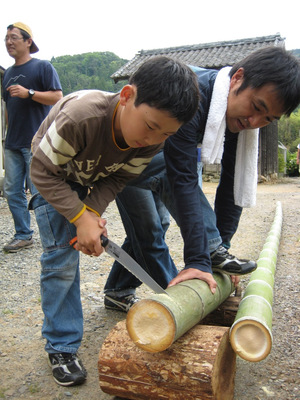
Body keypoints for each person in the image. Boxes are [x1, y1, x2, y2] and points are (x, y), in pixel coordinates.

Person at [29, 56, 200, 387]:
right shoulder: (81, 118)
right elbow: (41, 172)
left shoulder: (153, 139)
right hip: (51, 176)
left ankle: (117, 291)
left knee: (92, 231)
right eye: (150, 126)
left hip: (88, 179)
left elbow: (116, 180)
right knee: (60, 260)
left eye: (165, 133)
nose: (153, 139)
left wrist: (90, 214)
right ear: (126, 96)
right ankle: (61, 346)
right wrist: (79, 217)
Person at [104, 46, 300, 312]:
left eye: (267, 119)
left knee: (155, 226)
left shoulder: (239, 118)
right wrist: (200, 259)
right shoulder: (193, 95)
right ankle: (181, 302)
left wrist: (222, 249)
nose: (254, 121)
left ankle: (117, 290)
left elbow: (232, 183)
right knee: (150, 231)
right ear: (238, 78)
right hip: (126, 156)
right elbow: (181, 179)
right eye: (256, 107)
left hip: (160, 156)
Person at [2, 22, 63, 252]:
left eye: (14, 37)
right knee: (12, 191)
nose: (9, 42)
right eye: (6, 38)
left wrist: (29, 93)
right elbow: (8, 108)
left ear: (28, 41)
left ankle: (51, 237)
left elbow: (57, 96)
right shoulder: (7, 73)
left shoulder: (42, 67)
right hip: (13, 143)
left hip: (36, 141)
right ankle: (23, 234)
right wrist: (8, 134)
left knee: (40, 190)